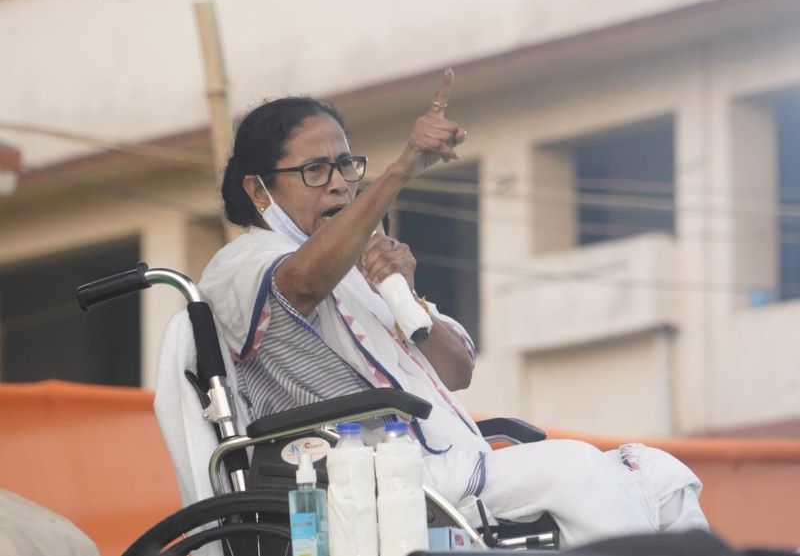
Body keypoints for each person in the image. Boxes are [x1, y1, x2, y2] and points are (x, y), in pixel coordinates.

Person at [193, 69, 708, 547]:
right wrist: (400, 170)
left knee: (663, 479)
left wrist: (404, 294)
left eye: (345, 165)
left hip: (448, 462)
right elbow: (302, 281)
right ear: (259, 189)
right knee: (573, 468)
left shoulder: (359, 264)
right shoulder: (243, 262)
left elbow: (458, 370)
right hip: (367, 474)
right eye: (314, 170)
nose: (338, 183)